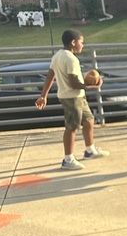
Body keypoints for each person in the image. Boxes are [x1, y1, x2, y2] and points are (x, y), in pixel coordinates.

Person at [35, 29, 109, 170]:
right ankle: (68, 160)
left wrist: (43, 95)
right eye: (81, 42)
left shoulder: (57, 56)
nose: (83, 45)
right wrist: (93, 86)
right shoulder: (71, 59)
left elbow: (50, 76)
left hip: (77, 97)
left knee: (89, 121)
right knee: (72, 127)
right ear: (73, 42)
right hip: (72, 97)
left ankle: (90, 150)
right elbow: (74, 84)